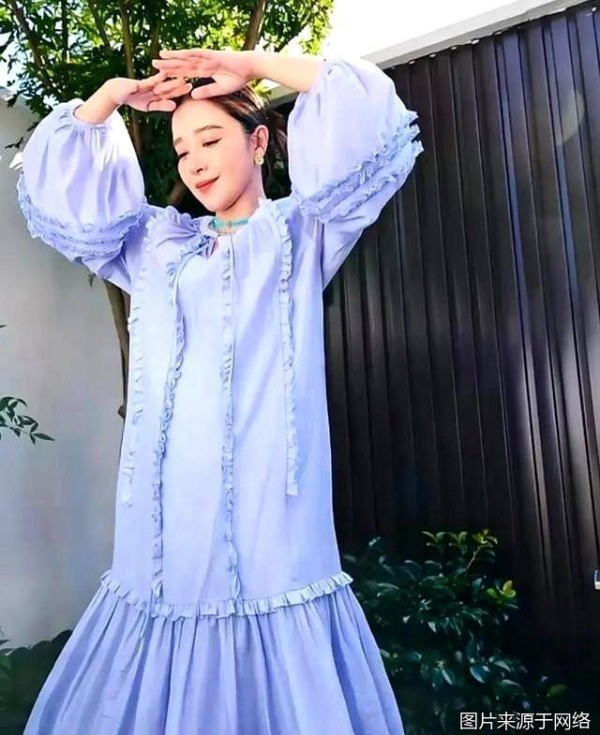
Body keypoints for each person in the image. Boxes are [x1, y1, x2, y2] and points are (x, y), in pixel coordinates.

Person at [17, 47, 423, 734]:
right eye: (182, 150)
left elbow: (362, 109)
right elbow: (62, 189)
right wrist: (110, 96)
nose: (195, 162)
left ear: (258, 141)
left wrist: (251, 63)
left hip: (273, 510)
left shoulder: (302, 233)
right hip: (164, 518)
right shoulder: (153, 246)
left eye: (210, 140)